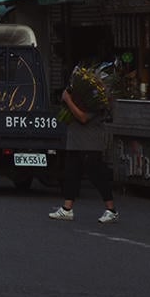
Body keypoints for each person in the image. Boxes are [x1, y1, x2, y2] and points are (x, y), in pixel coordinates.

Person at [49, 79, 119, 224]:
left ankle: (111, 210)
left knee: (97, 176)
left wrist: (68, 99)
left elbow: (83, 118)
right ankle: (67, 209)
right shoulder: (85, 98)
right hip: (75, 142)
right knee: (71, 175)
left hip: (90, 143)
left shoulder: (97, 101)